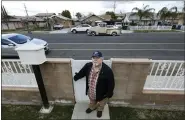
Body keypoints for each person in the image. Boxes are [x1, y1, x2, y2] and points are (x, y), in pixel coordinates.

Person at [74, 51, 115, 118]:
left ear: (102, 59)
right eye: (93, 57)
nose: (95, 59)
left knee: (101, 104)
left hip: (102, 94)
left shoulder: (107, 70)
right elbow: (82, 72)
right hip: (91, 92)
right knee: (92, 101)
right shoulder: (88, 66)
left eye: (97, 58)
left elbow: (111, 84)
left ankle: (100, 110)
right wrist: (76, 77)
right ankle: (92, 107)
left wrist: (108, 94)